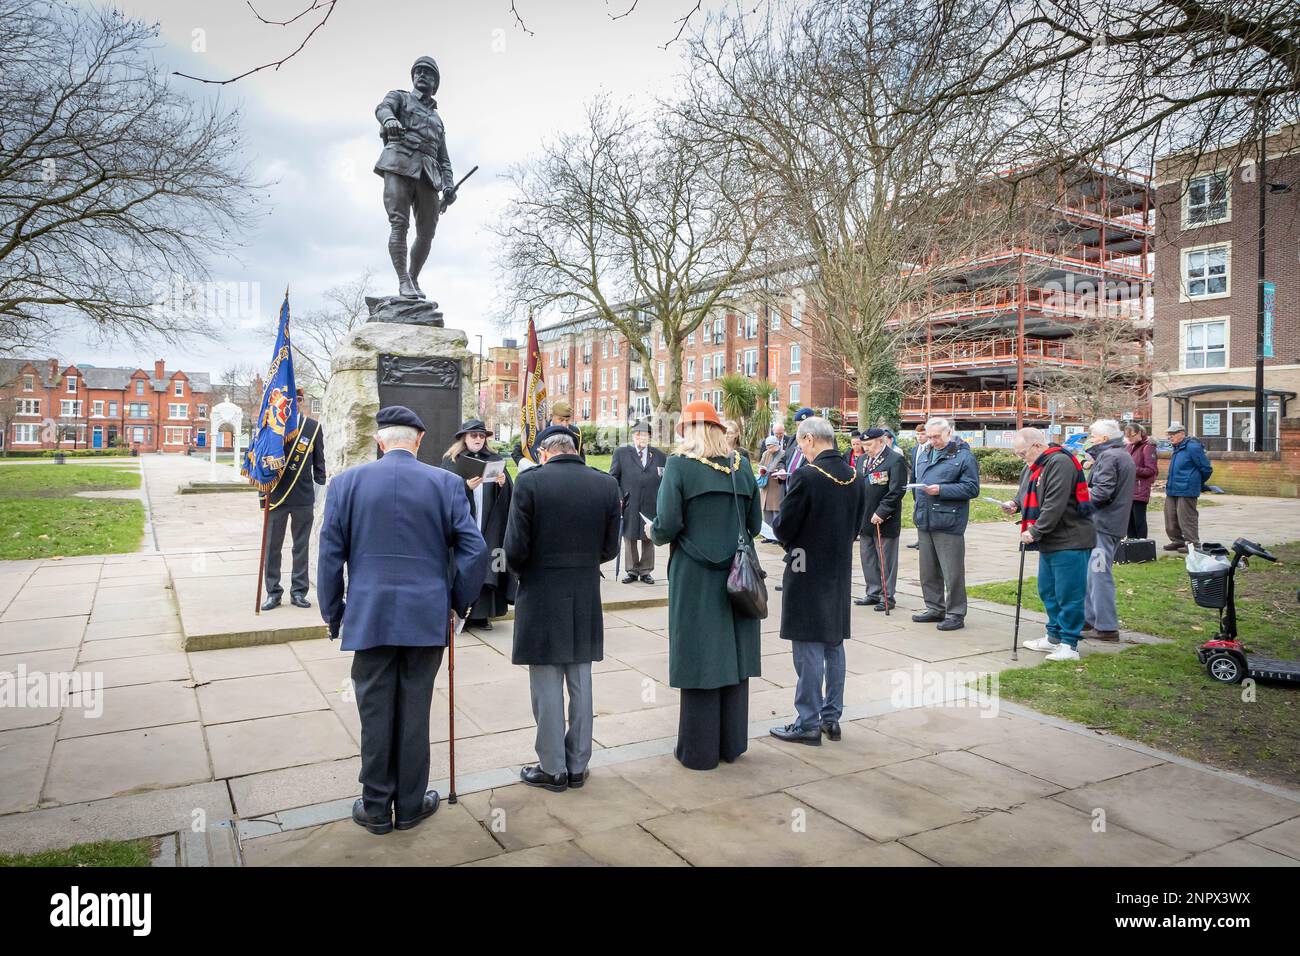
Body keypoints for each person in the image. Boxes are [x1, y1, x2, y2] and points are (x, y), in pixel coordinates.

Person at [317, 406, 488, 834]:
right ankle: (410, 804)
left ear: (380, 440)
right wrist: (458, 604)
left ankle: (376, 807)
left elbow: (329, 556)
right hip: (425, 614)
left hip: (369, 614)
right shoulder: (446, 484)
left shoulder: (345, 484)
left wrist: (333, 611)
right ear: (419, 439)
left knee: (374, 712)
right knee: (415, 710)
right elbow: (475, 550)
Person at [504, 425, 620, 792]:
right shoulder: (604, 484)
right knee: (580, 679)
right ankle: (577, 764)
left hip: (541, 589)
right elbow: (611, 548)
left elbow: (515, 548)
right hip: (584, 588)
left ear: (543, 453)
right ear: (574, 449)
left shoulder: (530, 483)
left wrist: (527, 571)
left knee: (546, 681)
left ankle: (552, 767)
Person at [649, 401, 762, 770]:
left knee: (700, 658)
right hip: (738, 575)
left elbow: (666, 525)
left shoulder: (680, 466)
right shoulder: (741, 466)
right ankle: (731, 744)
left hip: (696, 576)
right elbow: (755, 525)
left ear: (688, 431)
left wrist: (651, 530)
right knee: (733, 658)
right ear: (716, 429)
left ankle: (699, 751)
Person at [770, 416, 865, 746]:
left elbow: (783, 526)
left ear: (810, 440)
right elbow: (857, 526)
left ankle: (807, 721)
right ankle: (831, 716)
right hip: (838, 569)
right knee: (834, 643)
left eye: (801, 444)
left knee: (807, 645)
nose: (801, 450)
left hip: (805, 567)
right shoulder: (855, 474)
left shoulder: (807, 475)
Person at [1002, 428, 1096, 662]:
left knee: (1069, 593)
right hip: (1051, 540)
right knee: (1048, 590)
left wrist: (1035, 530)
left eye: (1022, 453)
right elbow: (1026, 493)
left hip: (1070, 539)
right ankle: (1053, 636)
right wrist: (1015, 504)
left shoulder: (1059, 462)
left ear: (1036, 445)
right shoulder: (1034, 465)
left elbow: (1055, 503)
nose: (1021, 458)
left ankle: (1069, 644)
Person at [374, 56, 457, 299]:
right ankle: (403, 281)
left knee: (427, 232)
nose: (421, 75)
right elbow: (382, 108)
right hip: (399, 162)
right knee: (399, 223)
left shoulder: (438, 120)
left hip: (429, 175)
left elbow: (444, 158)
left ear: (435, 83)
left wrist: (449, 186)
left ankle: (413, 277)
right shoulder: (399, 98)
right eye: (418, 72)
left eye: (428, 73)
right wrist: (389, 119)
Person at [440, 419, 515, 630]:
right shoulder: (452, 460)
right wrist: (465, 487)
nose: (478, 439)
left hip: (488, 522)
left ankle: (481, 615)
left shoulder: (494, 459)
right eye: (474, 435)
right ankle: (458, 611)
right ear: (464, 437)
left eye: (482, 436)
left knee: (488, 563)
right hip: (464, 524)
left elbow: (509, 492)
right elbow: (443, 492)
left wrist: (502, 484)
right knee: (463, 566)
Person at [261, 387, 326, 611]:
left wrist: (317, 498)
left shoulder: (312, 427)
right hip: (276, 496)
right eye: (288, 401)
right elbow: (259, 465)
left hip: (303, 497)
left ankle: (299, 591)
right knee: (272, 547)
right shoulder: (270, 426)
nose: (293, 404)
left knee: (301, 547)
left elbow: (320, 467)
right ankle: (273, 592)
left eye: (297, 400)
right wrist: (263, 496)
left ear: (301, 402)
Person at [911, 417, 979, 631]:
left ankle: (956, 613)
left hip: (949, 521)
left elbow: (971, 488)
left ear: (949, 433)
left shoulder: (963, 456)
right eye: (929, 437)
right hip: (925, 519)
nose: (932, 441)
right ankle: (934, 607)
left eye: (936, 437)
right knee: (928, 571)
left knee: (952, 572)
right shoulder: (924, 453)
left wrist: (941, 490)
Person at [1083, 420, 1135, 642]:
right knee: (1092, 574)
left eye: (1093, 436)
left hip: (1103, 524)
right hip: (1110, 523)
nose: (1090, 439)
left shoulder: (1110, 456)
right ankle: (1090, 619)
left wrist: (1079, 496)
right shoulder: (1120, 455)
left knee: (1099, 573)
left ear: (1104, 439)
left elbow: (1102, 493)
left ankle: (1105, 626)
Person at [854, 427, 906, 610]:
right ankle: (873, 592)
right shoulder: (862, 460)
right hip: (864, 518)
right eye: (863, 445)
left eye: (869, 444)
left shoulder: (894, 460)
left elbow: (897, 490)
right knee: (867, 557)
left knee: (885, 560)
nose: (865, 448)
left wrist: (882, 512)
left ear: (882, 441)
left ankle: (887, 596)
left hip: (885, 519)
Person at [609, 420, 666, 584]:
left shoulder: (660, 455)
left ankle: (646, 570)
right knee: (630, 536)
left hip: (651, 502)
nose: (641, 437)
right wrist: (619, 497)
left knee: (649, 536)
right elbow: (613, 477)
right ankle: (632, 570)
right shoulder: (621, 453)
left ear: (649, 436)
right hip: (629, 502)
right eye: (638, 434)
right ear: (633, 436)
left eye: (645, 434)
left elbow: (665, 479)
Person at [1163, 421, 1212, 554]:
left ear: (1182, 434)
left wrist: (1196, 483)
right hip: (1173, 488)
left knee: (1187, 518)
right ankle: (1177, 541)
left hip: (1187, 489)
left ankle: (1193, 544)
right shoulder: (1177, 448)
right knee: (1170, 517)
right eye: (1169, 434)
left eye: (1172, 434)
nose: (1170, 437)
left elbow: (1206, 468)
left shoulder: (1192, 447)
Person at [1124, 423, 1158, 538]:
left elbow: (1151, 470)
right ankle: (1131, 546)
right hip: (1128, 489)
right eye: (1127, 437)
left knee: (1139, 521)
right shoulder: (1129, 446)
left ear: (1139, 433)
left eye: (1132, 436)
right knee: (1129, 522)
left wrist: (1132, 468)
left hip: (1140, 488)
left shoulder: (1148, 447)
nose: (1129, 439)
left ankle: (1142, 546)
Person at [906, 423, 927, 549]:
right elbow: (913, 470)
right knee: (917, 514)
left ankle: (924, 541)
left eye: (922, 434)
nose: (919, 437)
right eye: (918, 434)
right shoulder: (915, 450)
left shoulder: (930, 449)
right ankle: (920, 539)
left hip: (926, 485)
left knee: (924, 514)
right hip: (916, 486)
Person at [758, 435, 785, 535]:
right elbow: (760, 464)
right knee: (766, 510)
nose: (769, 449)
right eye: (767, 447)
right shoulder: (766, 453)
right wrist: (762, 469)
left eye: (770, 446)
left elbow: (783, 466)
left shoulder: (782, 454)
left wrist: (776, 471)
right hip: (766, 485)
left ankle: (776, 534)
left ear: (776, 445)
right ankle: (768, 535)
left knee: (776, 510)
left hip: (776, 485)